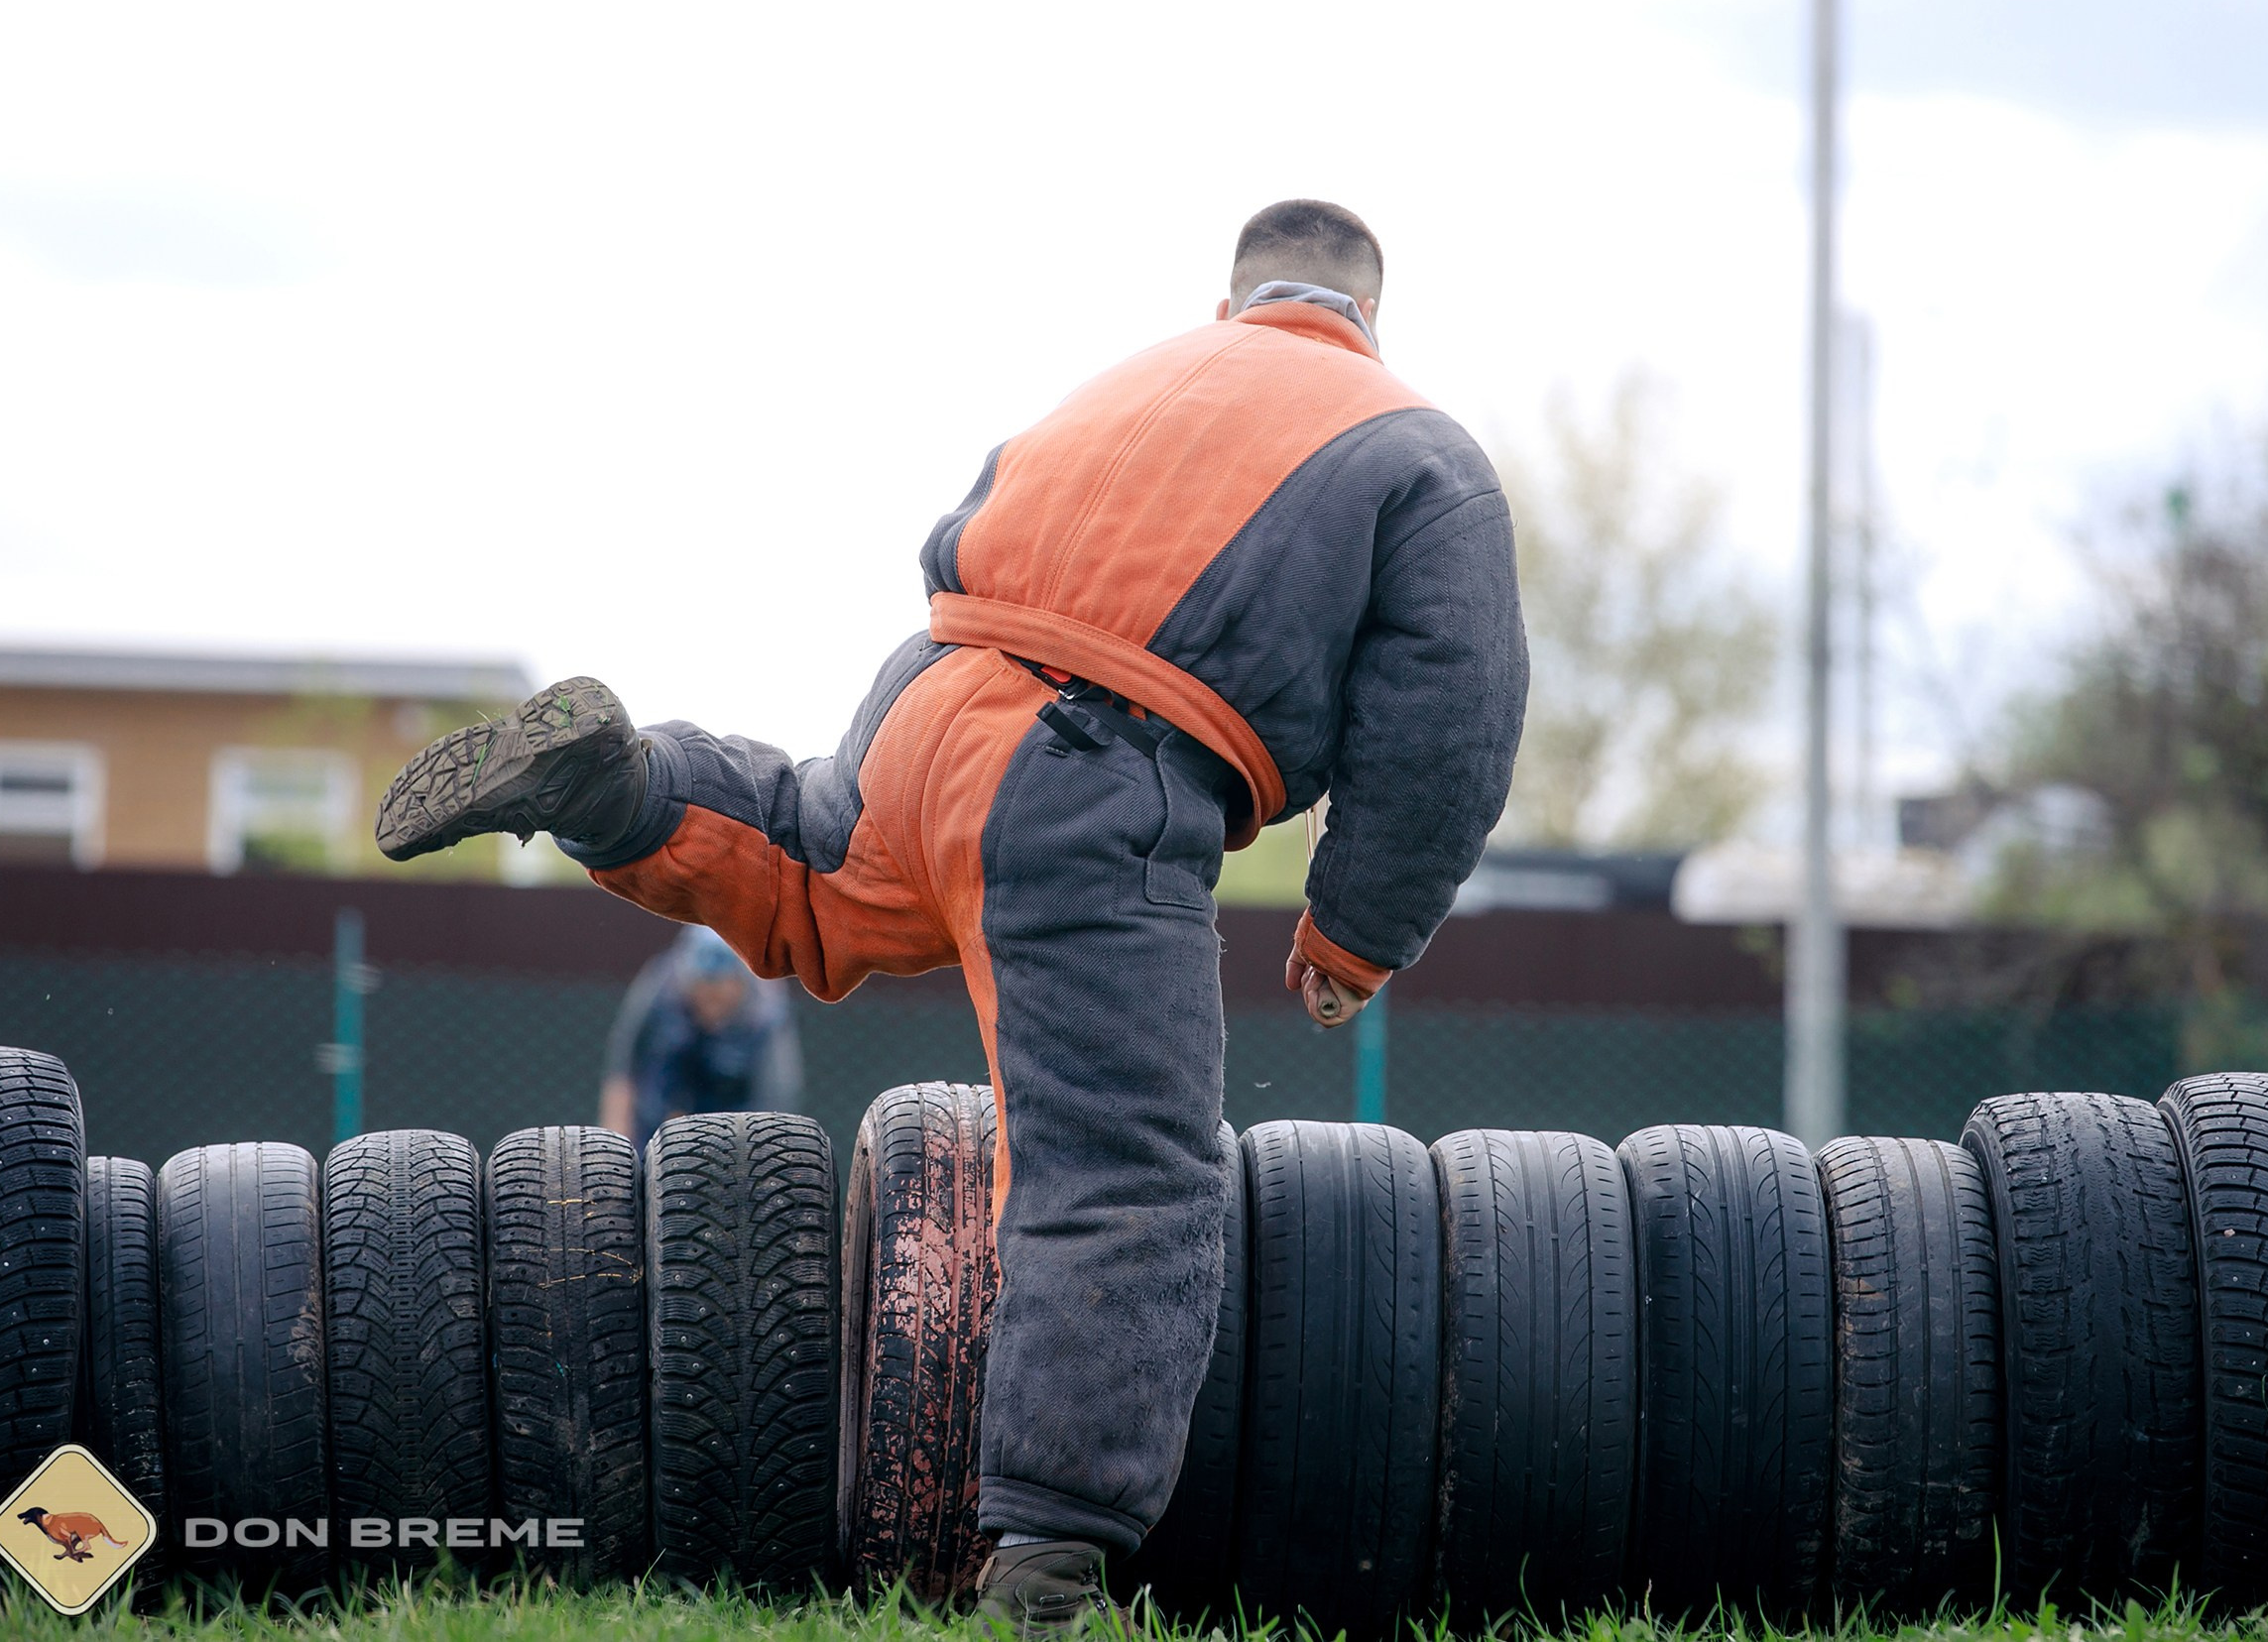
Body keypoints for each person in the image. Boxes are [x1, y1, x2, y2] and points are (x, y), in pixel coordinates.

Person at [372, 199, 1527, 1632]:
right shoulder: (1419, 447)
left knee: (805, 872)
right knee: (1121, 1165)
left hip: (931, 698)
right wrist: (1360, 931)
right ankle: (1048, 1571)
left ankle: (619, 785)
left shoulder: (1137, 374)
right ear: (1372, 317)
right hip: (1102, 765)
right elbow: (1452, 714)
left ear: (1233, 301)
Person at [598, 924, 803, 1149]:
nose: (710, 1006)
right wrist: (617, 1146)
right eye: (703, 992)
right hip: (657, 1123)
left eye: (718, 995)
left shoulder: (766, 1013)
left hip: (736, 1126)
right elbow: (624, 1069)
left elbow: (776, 1098)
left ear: (739, 985)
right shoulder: (659, 990)